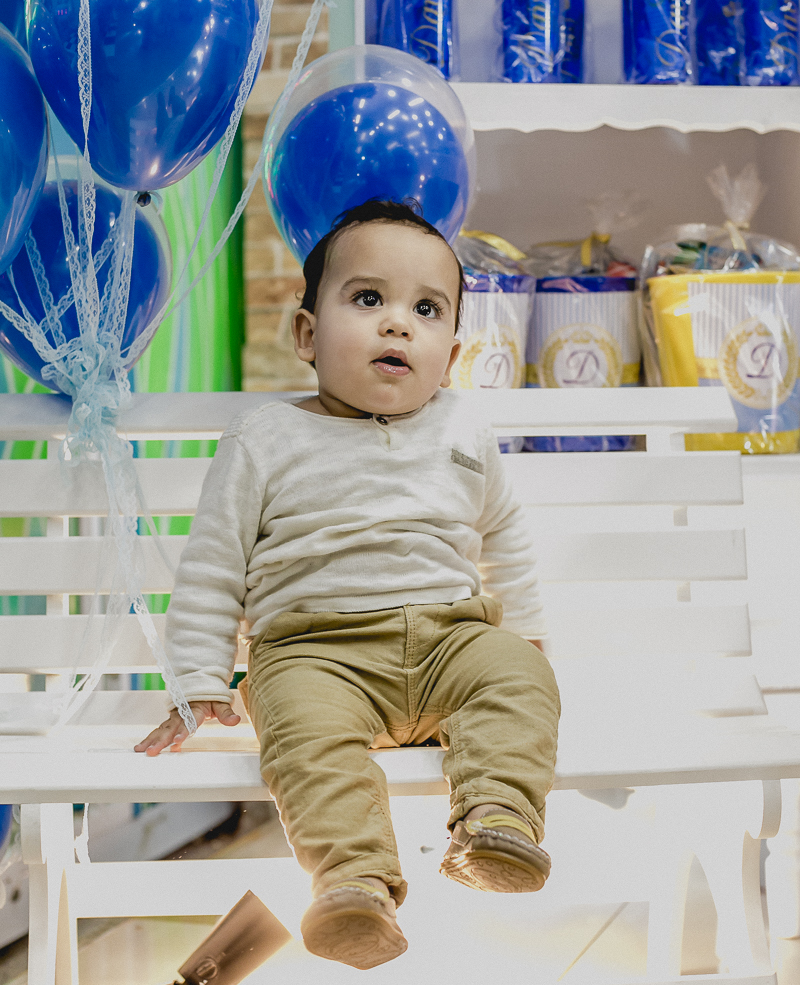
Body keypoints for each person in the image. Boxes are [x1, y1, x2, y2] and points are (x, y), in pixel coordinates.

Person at [135, 199, 560, 971]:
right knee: (306, 741)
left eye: (426, 309)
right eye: (368, 298)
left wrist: (525, 634)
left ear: (451, 355)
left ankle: (497, 820)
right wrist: (197, 679)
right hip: (314, 655)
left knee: (519, 675)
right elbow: (212, 568)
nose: (398, 324)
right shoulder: (266, 438)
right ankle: (353, 884)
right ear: (307, 334)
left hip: (450, 641)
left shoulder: (463, 429)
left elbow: (507, 541)